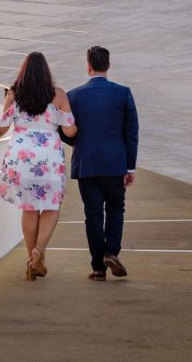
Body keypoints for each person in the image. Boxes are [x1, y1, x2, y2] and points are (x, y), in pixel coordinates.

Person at [0, 52, 77, 280]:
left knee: (29, 209)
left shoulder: (14, 94)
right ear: (46, 72)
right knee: (51, 207)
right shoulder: (57, 95)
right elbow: (70, 130)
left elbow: (0, 128)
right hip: (49, 160)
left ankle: (31, 259)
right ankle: (39, 251)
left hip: (21, 160)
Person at [62, 46, 139, 281]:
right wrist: (130, 166)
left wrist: (75, 142)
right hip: (115, 163)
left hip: (86, 164)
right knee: (116, 209)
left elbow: (64, 130)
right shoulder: (123, 93)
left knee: (93, 214)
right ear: (108, 65)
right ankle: (111, 252)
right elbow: (132, 132)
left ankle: (97, 268)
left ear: (88, 66)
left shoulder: (73, 96)